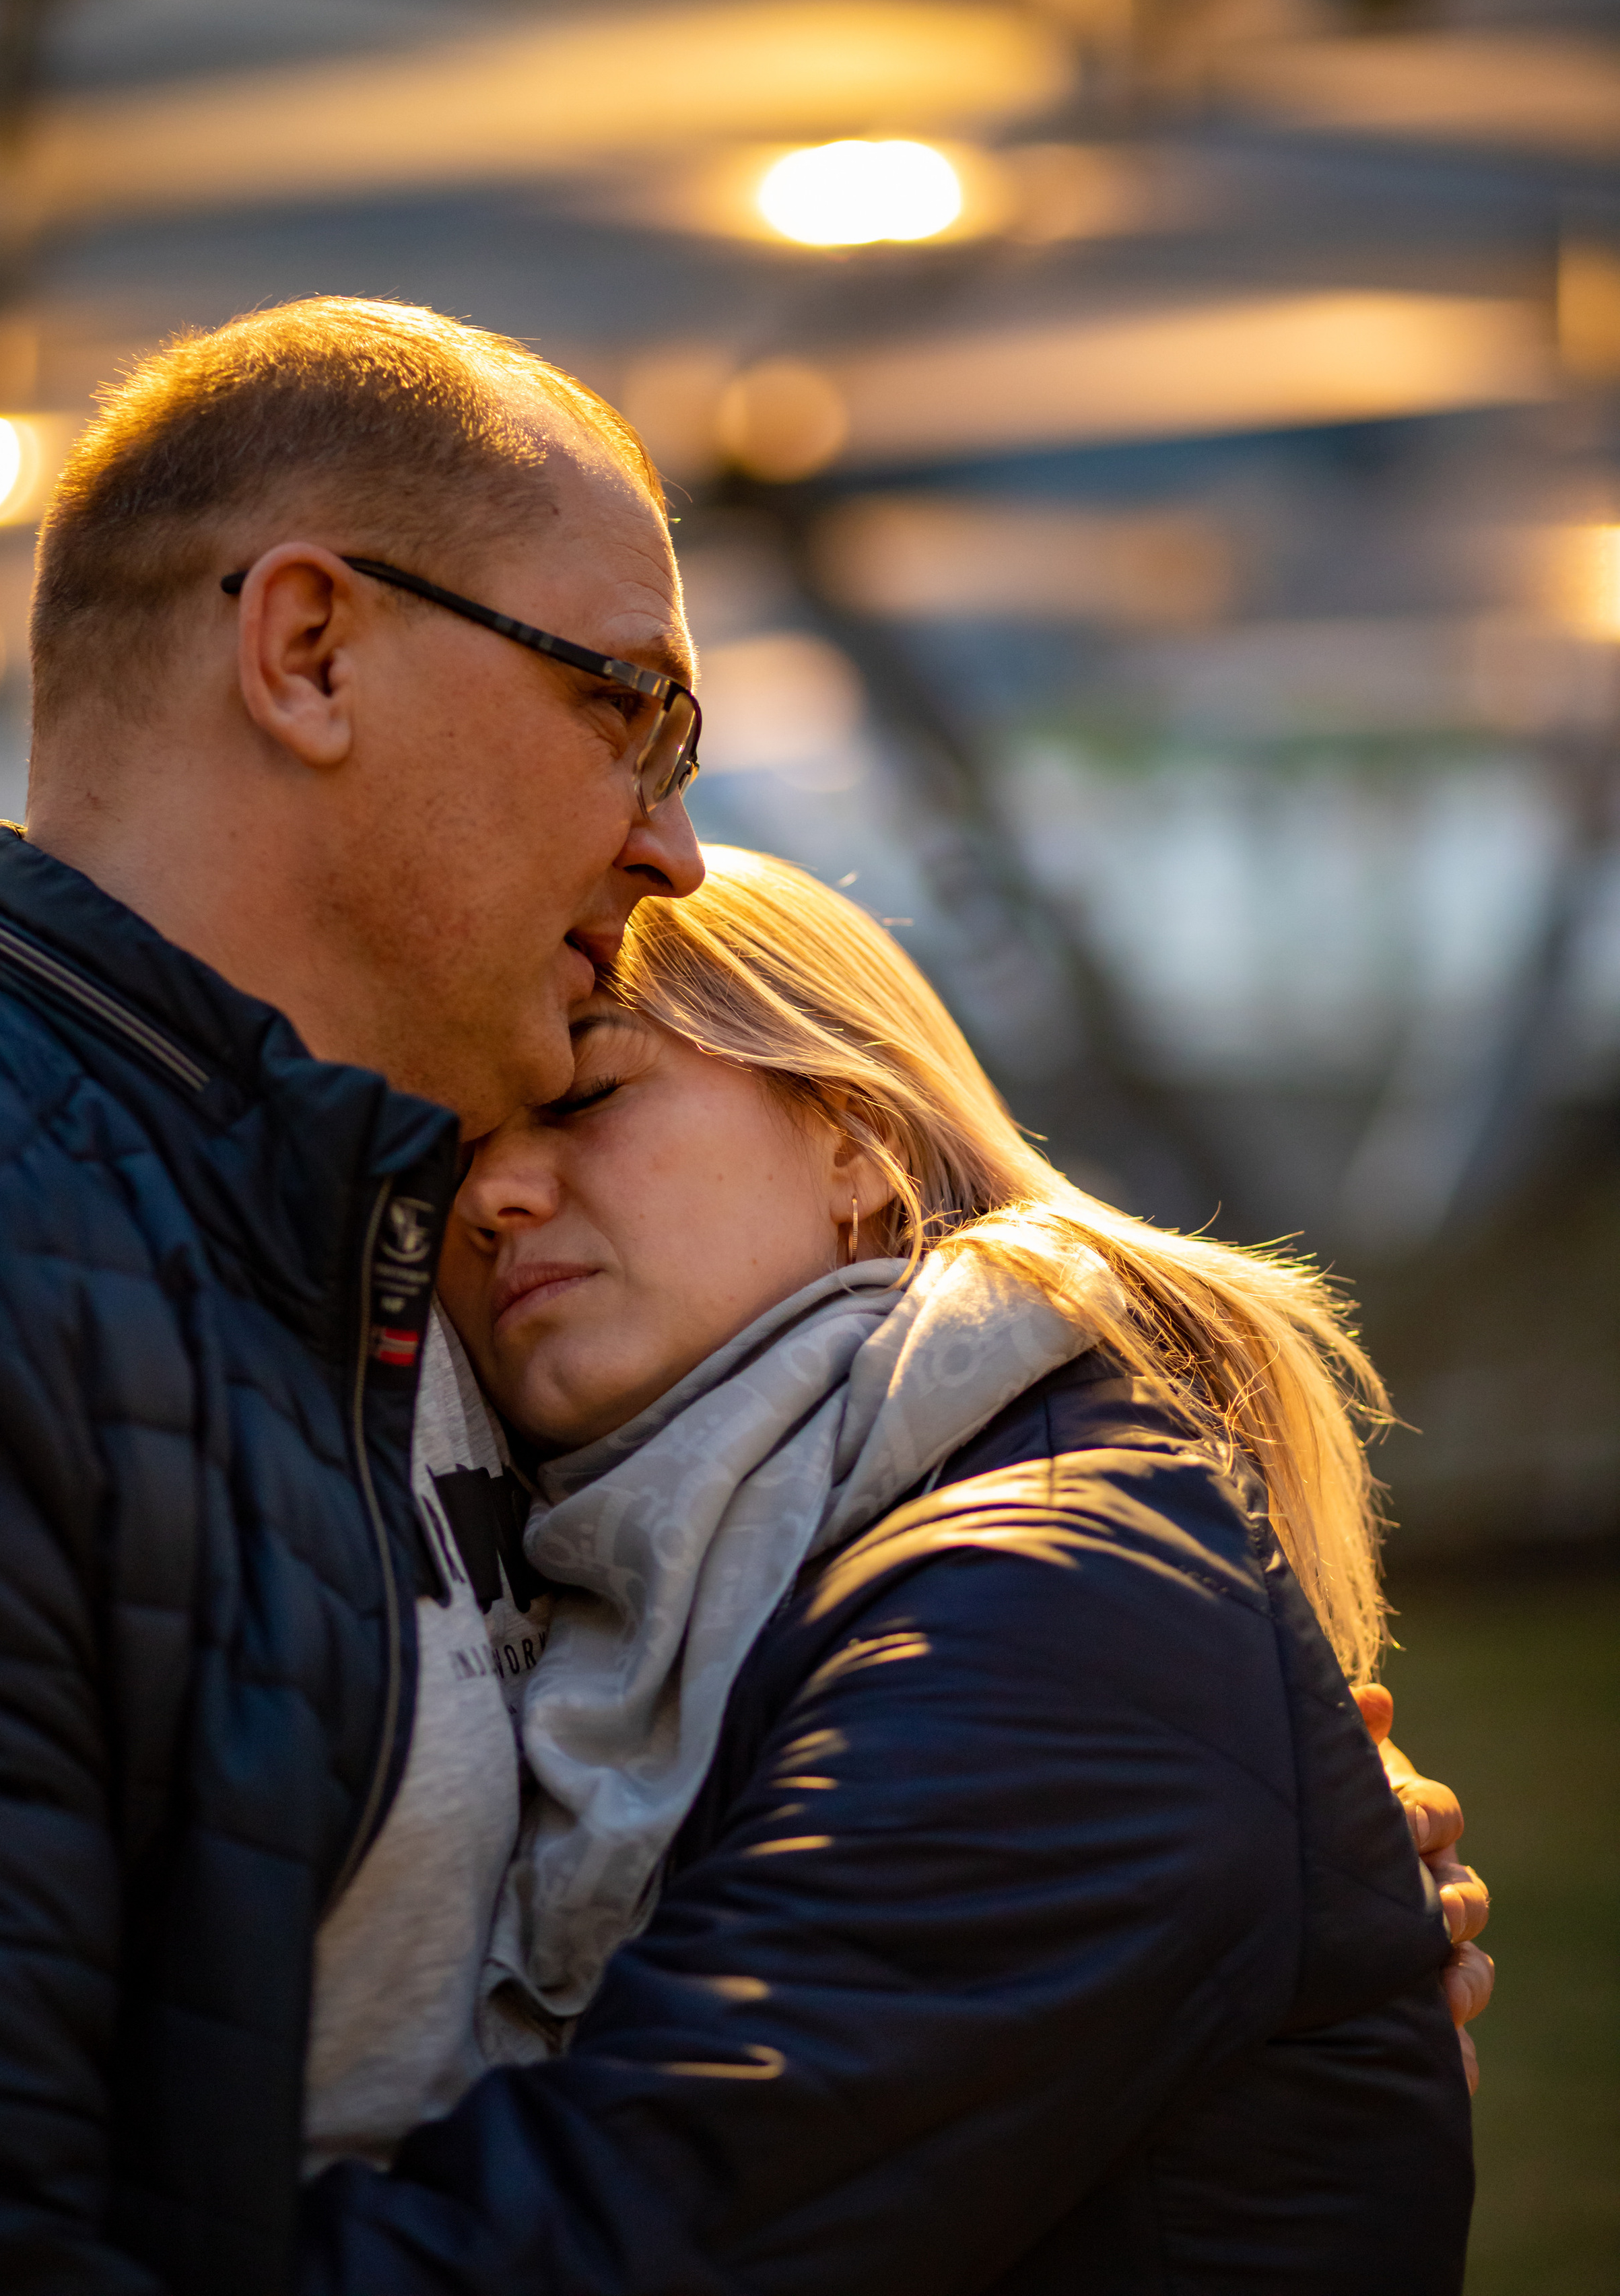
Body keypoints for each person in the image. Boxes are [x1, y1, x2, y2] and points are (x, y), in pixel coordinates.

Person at [300, 845, 1488, 2296]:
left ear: (852, 1138)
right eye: (452, 1157)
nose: (490, 1200)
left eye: (582, 1098)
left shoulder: (1055, 1610)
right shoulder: (696, 1589)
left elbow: (629, 2242)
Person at [0, 298, 705, 2296]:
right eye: (632, 709)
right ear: (311, 651)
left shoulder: (440, 1235)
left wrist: (1191, 1823)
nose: (678, 847)